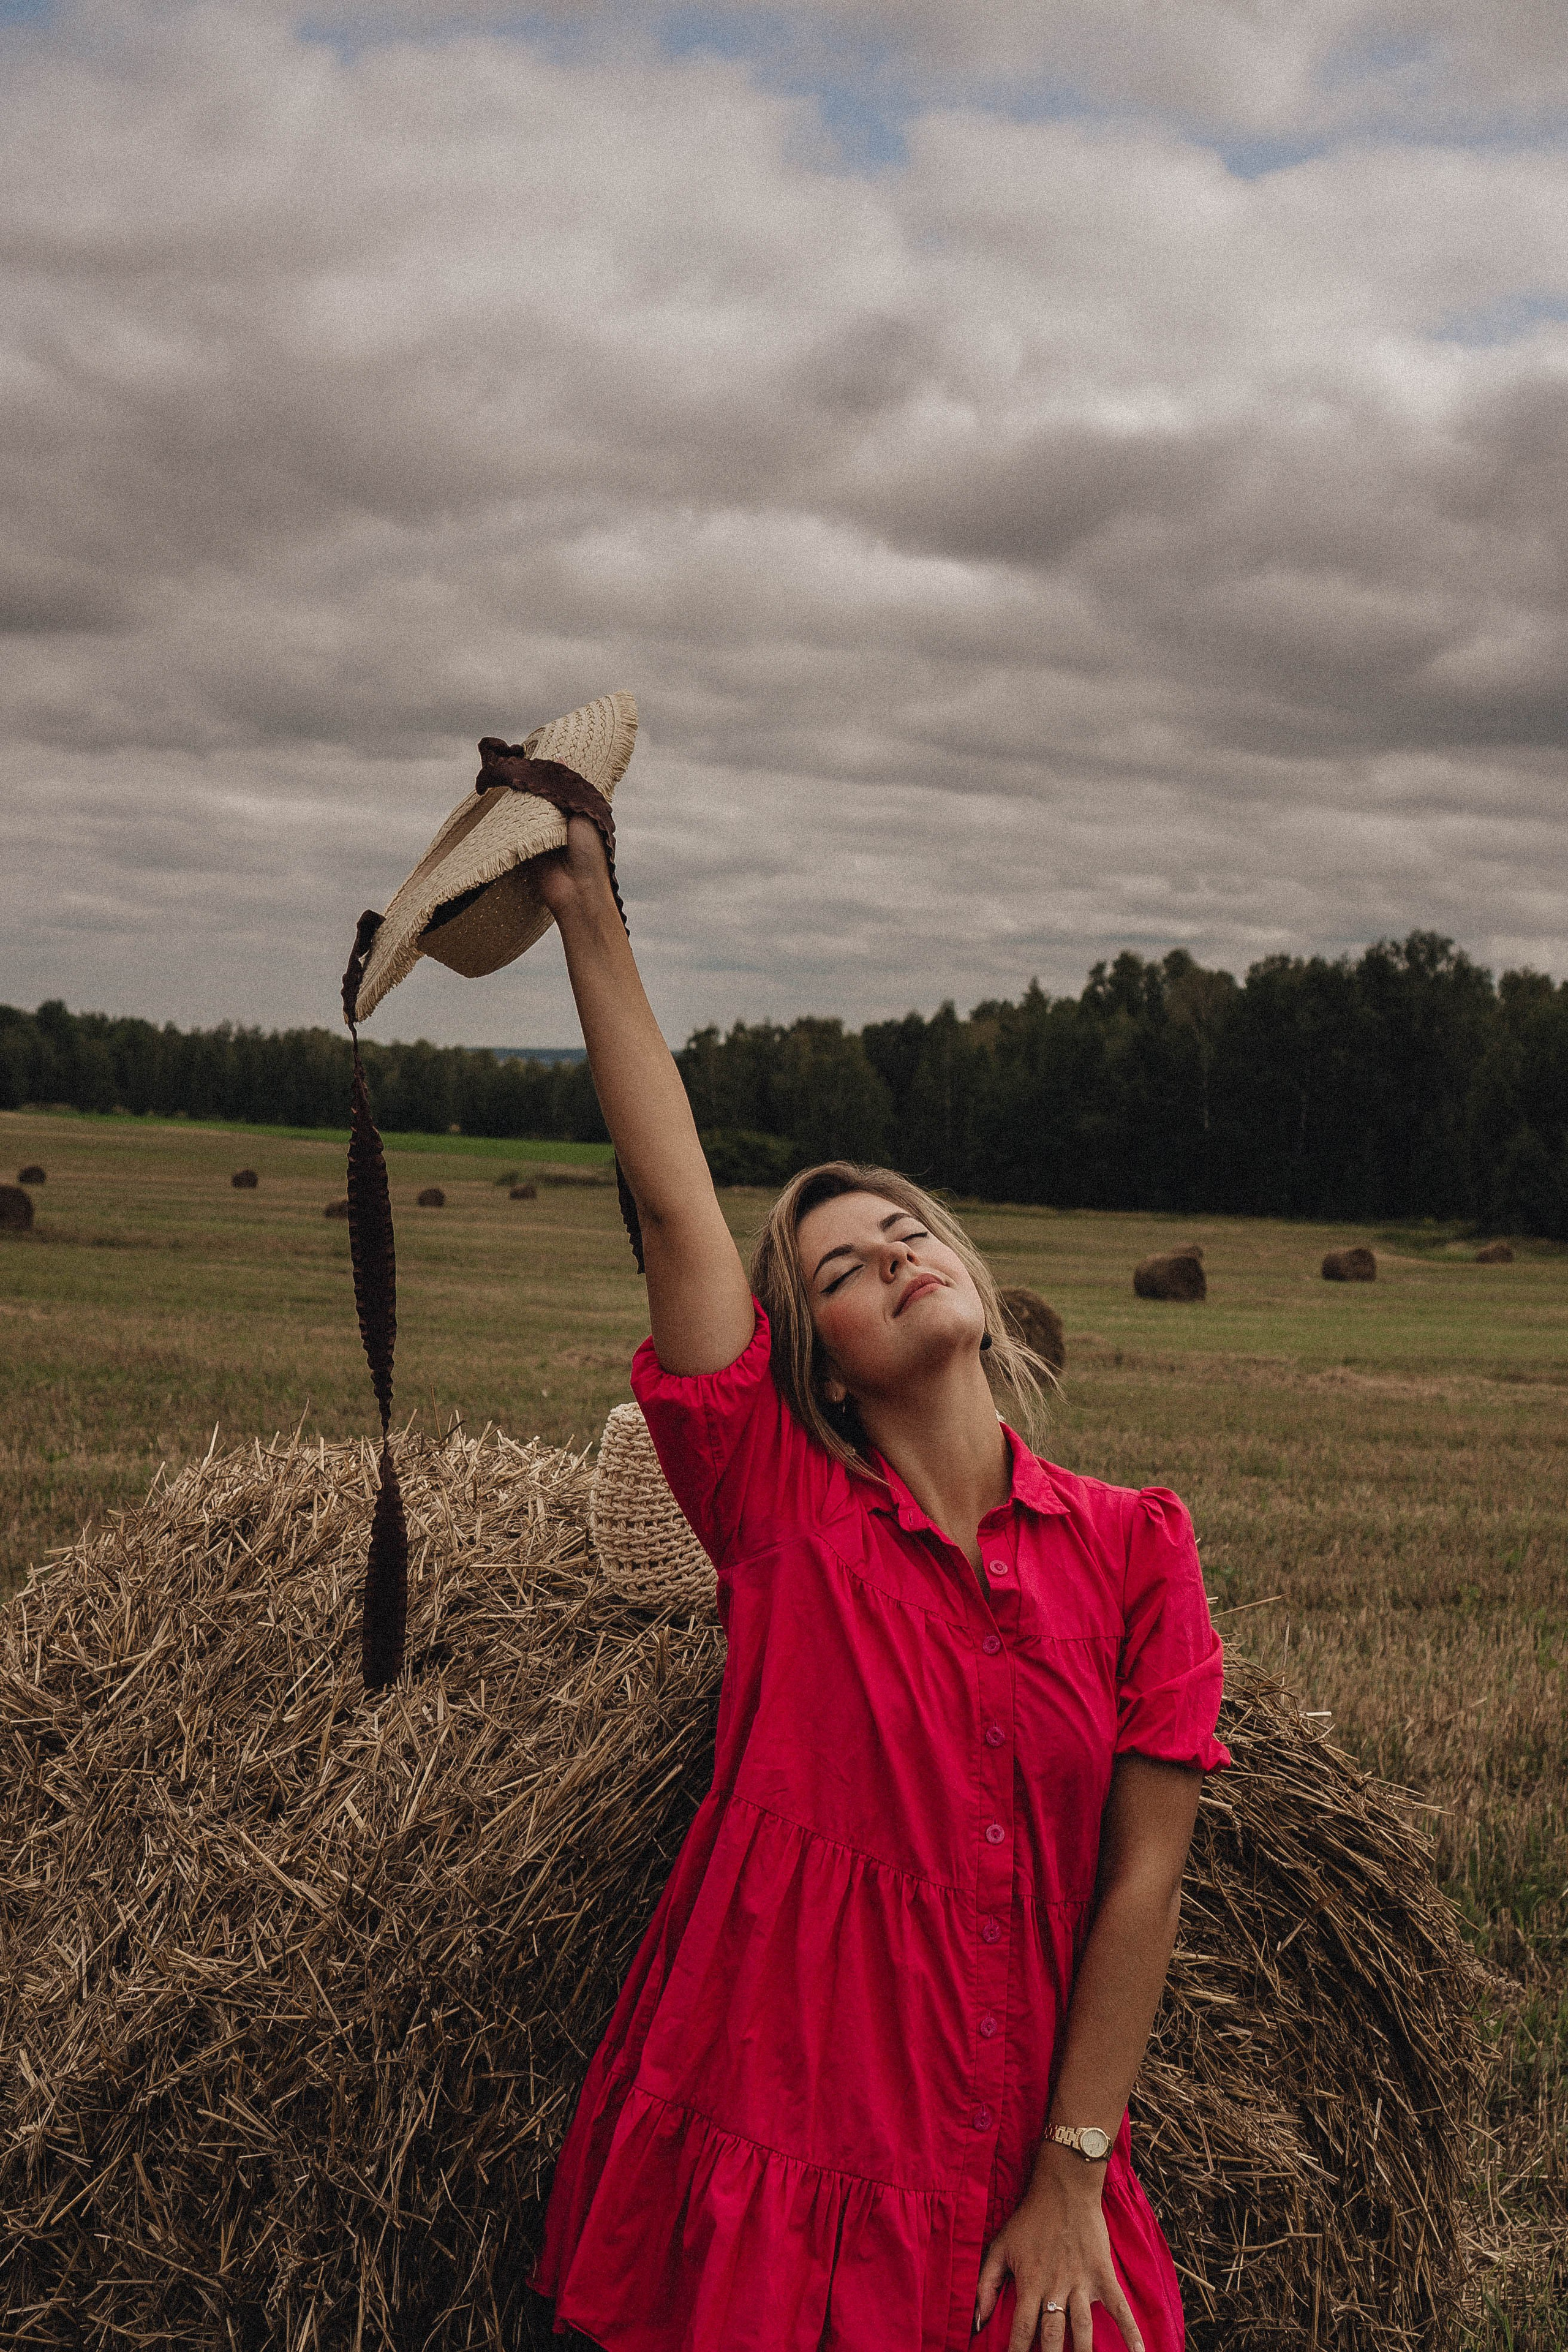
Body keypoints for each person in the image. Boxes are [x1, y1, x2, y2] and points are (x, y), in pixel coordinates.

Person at [526, 817, 1230, 2352]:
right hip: (774, 2131)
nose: (896, 1252)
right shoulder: (779, 1516)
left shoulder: (1133, 1548)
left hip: (1007, 2161)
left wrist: (1073, 2174)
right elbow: (673, 1206)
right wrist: (586, 903)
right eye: (842, 1268)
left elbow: (1141, 1881)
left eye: (908, 1230)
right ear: (817, 1370)